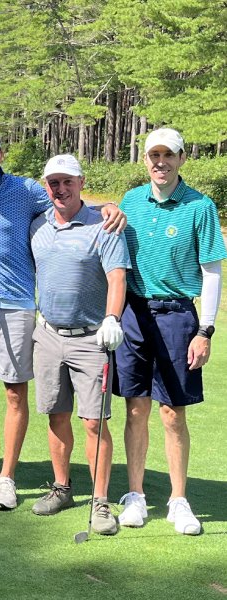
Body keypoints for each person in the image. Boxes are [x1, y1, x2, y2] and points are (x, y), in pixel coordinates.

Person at [0, 125, 125, 511]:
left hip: (16, 303)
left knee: (13, 390)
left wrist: (107, 207)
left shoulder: (25, 190)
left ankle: (6, 478)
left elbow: (69, 198)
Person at [114, 128, 226, 535]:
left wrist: (206, 330)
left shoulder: (200, 206)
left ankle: (179, 499)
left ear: (181, 158)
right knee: (136, 407)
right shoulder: (131, 202)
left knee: (171, 412)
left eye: (168, 155)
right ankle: (136, 496)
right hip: (133, 314)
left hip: (179, 315)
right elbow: (115, 262)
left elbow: (211, 271)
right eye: (153, 155)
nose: (160, 162)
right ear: (145, 160)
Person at [28, 155, 129, 535]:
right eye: (53, 182)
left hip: (91, 337)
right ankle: (62, 487)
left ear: (81, 182)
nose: (61, 188)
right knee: (56, 414)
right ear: (46, 186)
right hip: (49, 334)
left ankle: (100, 501)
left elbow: (116, 278)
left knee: (93, 422)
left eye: (68, 181)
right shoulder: (37, 226)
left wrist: (112, 318)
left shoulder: (103, 224)